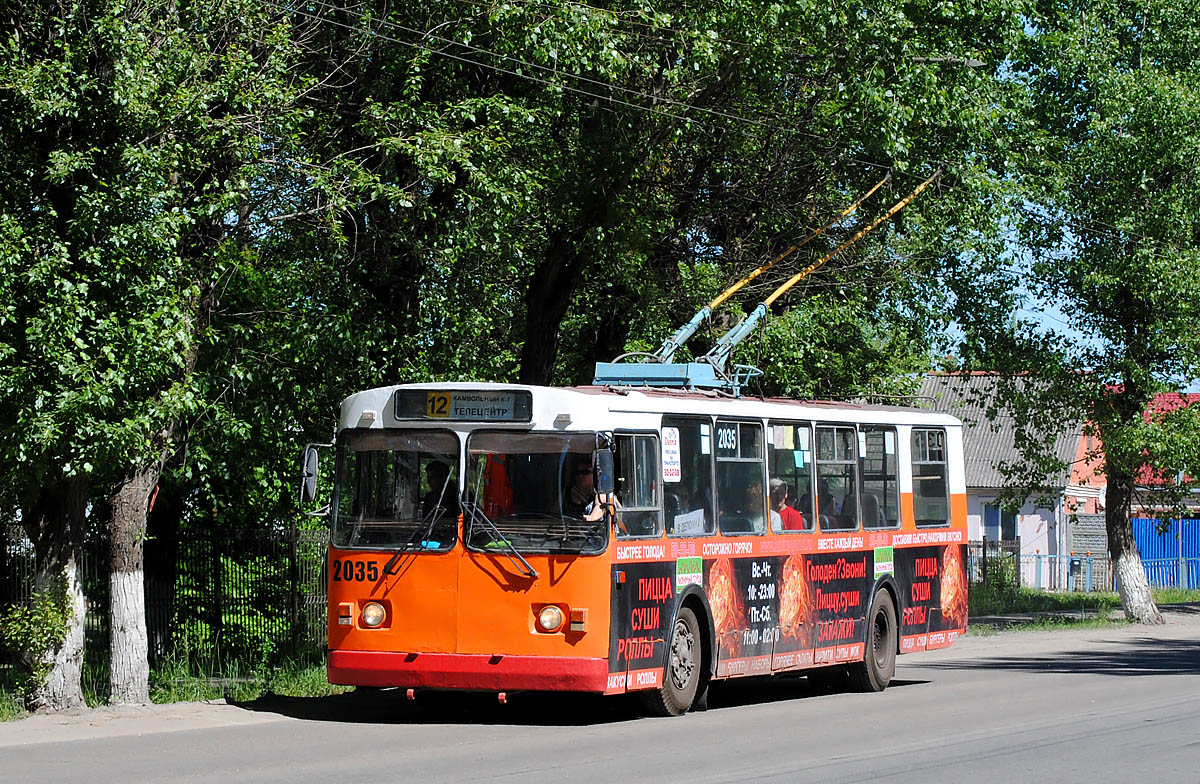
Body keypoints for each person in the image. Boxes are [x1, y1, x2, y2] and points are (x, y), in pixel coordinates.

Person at [563, 457, 606, 522]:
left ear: (594, 475)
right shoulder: (566, 492)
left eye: (585, 472)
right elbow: (553, 513)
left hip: (592, 530)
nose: (580, 476)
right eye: (578, 473)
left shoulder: (600, 492)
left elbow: (600, 507)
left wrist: (591, 517)